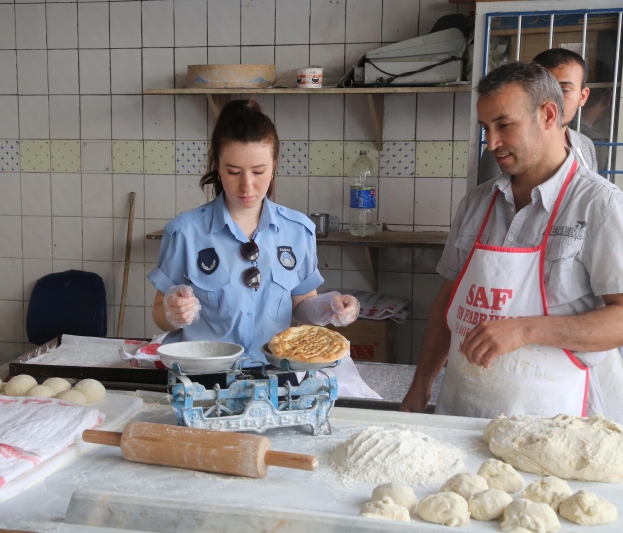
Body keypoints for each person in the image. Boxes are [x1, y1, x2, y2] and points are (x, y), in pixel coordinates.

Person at [400, 62, 623, 422]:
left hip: (550, 419)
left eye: (504, 125)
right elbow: (449, 298)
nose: (492, 143)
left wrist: (527, 328)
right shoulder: (476, 203)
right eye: (486, 128)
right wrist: (422, 380)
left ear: (548, 115)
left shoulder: (598, 205)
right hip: (463, 409)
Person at [148, 100, 359, 371]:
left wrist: (331, 306)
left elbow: (303, 306)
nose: (247, 186)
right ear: (217, 166)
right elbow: (159, 312)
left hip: (276, 373)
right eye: (233, 172)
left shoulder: (297, 230)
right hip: (205, 376)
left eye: (259, 172)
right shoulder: (185, 233)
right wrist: (172, 310)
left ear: (274, 164)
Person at [477, 48, 596, 185]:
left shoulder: (585, 146)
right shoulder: (502, 151)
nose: (552, 98)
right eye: (541, 89)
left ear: (583, 96)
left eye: (563, 90)